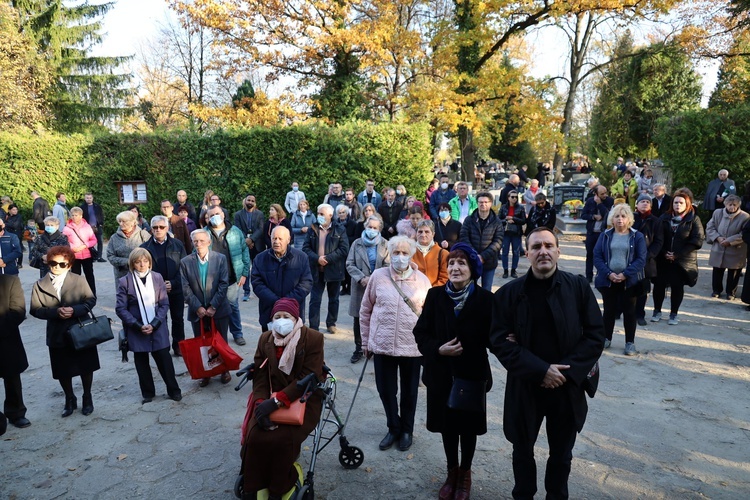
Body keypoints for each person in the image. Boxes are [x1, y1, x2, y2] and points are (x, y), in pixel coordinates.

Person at [490, 227, 605, 499]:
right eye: (537, 246)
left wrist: (564, 371)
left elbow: (595, 335)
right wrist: (541, 370)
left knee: (562, 456)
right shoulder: (508, 294)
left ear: (558, 251)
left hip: (566, 387)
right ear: (527, 253)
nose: (543, 251)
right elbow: (497, 340)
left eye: (549, 245)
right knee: (522, 451)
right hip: (526, 387)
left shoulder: (577, 288)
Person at [413, 242, 493, 500]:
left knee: (468, 428)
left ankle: (465, 475)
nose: (456, 268)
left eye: (462, 263)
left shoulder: (486, 300)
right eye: (452, 263)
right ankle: (451, 472)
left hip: (471, 375)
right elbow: (420, 333)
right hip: (441, 373)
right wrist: (438, 349)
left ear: (473, 269)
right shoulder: (435, 296)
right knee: (447, 427)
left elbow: (496, 337)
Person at [241, 298, 324, 500]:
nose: (281, 321)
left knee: (282, 439)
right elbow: (260, 376)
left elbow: (307, 377)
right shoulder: (266, 339)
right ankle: (254, 484)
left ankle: (279, 487)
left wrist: (276, 402)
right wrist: (261, 404)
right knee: (256, 435)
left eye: (286, 316)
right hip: (270, 397)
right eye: (277, 317)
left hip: (304, 398)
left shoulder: (313, 338)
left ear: (296, 318)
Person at [360, 236, 431, 452]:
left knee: (410, 392)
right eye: (396, 252)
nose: (400, 257)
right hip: (382, 345)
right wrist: (365, 342)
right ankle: (393, 427)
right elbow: (366, 310)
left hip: (412, 347)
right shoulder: (378, 276)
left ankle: (407, 430)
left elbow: (429, 316)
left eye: (404, 253)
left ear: (411, 254)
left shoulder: (422, 280)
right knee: (386, 390)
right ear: (390, 254)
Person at [30, 246, 100, 417]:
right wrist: (55, 312)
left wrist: (75, 310)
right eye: (53, 263)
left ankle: (87, 396)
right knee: (62, 368)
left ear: (69, 265)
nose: (56, 267)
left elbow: (91, 299)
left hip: (80, 328)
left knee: (85, 365)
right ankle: (69, 398)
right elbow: (35, 310)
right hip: (57, 332)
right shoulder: (39, 285)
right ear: (48, 263)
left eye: (62, 264)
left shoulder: (79, 279)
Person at [116, 249, 181, 404]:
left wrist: (155, 323)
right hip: (137, 328)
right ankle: (148, 393)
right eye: (138, 262)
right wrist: (138, 325)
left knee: (165, 360)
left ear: (149, 262)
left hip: (157, 326)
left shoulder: (157, 277)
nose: (142, 264)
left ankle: (174, 390)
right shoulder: (125, 281)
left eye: (145, 261)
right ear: (132, 264)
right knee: (142, 363)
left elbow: (164, 303)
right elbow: (120, 308)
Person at [180, 229, 232, 386]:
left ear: (209, 242)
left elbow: (224, 283)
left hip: (218, 309)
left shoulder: (220, 258)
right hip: (198, 312)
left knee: (221, 341)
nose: (198, 244)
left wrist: (213, 306)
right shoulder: (185, 262)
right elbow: (185, 287)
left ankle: (224, 369)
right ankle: (206, 372)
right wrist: (197, 307)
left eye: (202, 241)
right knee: (202, 343)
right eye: (195, 241)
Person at [593, 204, 647, 355]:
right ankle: (606, 338)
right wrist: (609, 273)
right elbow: (597, 256)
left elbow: (641, 259)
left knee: (630, 312)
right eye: (617, 216)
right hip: (608, 280)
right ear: (612, 219)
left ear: (629, 219)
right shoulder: (605, 235)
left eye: (623, 216)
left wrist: (625, 274)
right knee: (609, 311)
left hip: (629, 281)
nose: (620, 219)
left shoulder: (637, 236)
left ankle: (630, 342)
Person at [652, 189, 706, 325]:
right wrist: (664, 253)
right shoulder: (664, 218)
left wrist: (677, 254)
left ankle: (673, 314)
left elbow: (697, 240)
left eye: (681, 203)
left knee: (677, 287)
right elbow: (657, 238)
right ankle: (657, 310)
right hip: (663, 259)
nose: (678, 205)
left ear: (687, 204)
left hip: (682, 260)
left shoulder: (693, 219)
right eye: (675, 202)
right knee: (659, 285)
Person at [345, 215, 390, 364]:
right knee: (358, 318)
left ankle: (374, 347)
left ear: (379, 229)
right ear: (365, 227)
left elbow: (388, 265)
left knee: (377, 317)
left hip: (379, 288)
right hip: (359, 287)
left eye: (375, 228)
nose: (371, 230)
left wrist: (374, 279)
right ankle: (359, 347)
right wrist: (362, 278)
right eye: (369, 227)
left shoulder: (385, 244)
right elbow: (349, 264)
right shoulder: (356, 243)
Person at [141, 215, 188, 356]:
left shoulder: (177, 244)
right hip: (155, 291)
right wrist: (159, 285)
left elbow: (184, 267)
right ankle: (163, 345)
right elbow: (142, 271)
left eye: (161, 227)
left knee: (178, 318)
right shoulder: (144, 248)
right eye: (155, 227)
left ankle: (179, 344)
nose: (158, 230)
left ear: (167, 228)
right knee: (160, 319)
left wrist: (173, 283)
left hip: (176, 288)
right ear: (151, 229)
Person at [251, 226, 313, 332]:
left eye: (280, 238)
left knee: (293, 346)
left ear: (288, 240)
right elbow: (257, 283)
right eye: (274, 238)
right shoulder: (260, 258)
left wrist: (287, 302)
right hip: (269, 312)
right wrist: (276, 302)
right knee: (269, 345)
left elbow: (306, 283)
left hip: (293, 312)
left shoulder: (301, 257)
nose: (276, 242)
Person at [206, 205, 250, 346]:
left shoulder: (235, 232)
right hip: (211, 280)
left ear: (223, 215)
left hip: (231, 277)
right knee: (214, 306)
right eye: (211, 215)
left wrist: (244, 273)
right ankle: (217, 335)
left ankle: (237, 334)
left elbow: (245, 252)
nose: (215, 217)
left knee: (232, 306)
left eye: (217, 213)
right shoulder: (205, 233)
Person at [302, 203, 349, 334]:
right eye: (318, 214)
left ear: (330, 215)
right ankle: (314, 327)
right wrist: (317, 259)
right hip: (316, 270)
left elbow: (344, 249)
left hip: (334, 270)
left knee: (334, 299)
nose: (319, 216)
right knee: (315, 300)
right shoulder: (312, 228)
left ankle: (331, 323)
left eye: (322, 214)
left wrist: (327, 258)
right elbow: (305, 248)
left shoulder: (340, 229)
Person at [0, 274, 31, 429]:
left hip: (6, 338)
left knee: (12, 378)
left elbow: (18, 310)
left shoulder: (10, 281)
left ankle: (16, 413)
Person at [705, 194, 749, 300]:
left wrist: (729, 241)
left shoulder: (745, 216)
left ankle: (731, 292)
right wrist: (718, 238)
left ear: (738, 205)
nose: (732, 207)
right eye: (730, 204)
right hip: (719, 246)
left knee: (734, 271)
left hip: (735, 249)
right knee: (717, 269)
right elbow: (710, 226)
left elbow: (744, 233)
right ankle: (716, 290)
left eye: (734, 205)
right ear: (725, 204)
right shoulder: (717, 213)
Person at [459, 192, 504, 290]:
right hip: (472, 260)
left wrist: (483, 256)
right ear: (477, 203)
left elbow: (498, 242)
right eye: (480, 202)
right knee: (469, 288)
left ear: (491, 203)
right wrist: (474, 255)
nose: (483, 204)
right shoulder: (469, 220)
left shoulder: (497, 222)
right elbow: (463, 237)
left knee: (486, 289)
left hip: (489, 261)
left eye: (485, 202)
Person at [632, 194, 664, 326]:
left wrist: (648, 255)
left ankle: (640, 314)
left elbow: (659, 241)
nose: (645, 203)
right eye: (642, 201)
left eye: (647, 202)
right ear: (637, 205)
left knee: (643, 288)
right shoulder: (630, 218)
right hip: (629, 258)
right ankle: (620, 311)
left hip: (646, 260)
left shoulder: (656, 221)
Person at [233, 194, 266, 301]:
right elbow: (237, 229)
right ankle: (246, 291)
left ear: (254, 202)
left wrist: (251, 239)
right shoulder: (238, 214)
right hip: (243, 244)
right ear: (245, 201)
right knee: (246, 268)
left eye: (252, 200)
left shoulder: (259, 214)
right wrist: (246, 241)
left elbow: (261, 229)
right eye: (249, 200)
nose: (250, 202)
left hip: (257, 244)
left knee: (258, 268)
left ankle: (259, 290)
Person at [62, 207, 98, 297]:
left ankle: (92, 293)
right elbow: (64, 242)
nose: (74, 217)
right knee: (75, 275)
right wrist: (73, 248)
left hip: (87, 255)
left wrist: (85, 245)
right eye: (72, 215)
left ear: (81, 216)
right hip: (74, 255)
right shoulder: (67, 228)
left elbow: (93, 240)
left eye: (76, 215)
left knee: (89, 274)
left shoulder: (87, 226)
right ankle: (75, 294)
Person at [107, 211, 152, 283]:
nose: (121, 224)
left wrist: (140, 262)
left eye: (124, 221)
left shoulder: (143, 234)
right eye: (119, 221)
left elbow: (151, 253)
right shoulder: (114, 238)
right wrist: (127, 262)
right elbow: (110, 256)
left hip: (142, 274)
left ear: (133, 222)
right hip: (122, 275)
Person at [581, 185, 614, 283]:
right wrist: (593, 216)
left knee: (602, 255)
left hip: (603, 233)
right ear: (596, 194)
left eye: (605, 193)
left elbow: (609, 215)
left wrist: (600, 204)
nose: (605, 195)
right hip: (592, 232)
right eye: (602, 194)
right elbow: (583, 215)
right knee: (590, 255)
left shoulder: (609, 201)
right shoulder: (590, 201)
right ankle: (589, 276)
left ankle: (602, 275)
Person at [499, 190, 526, 279]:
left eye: (516, 197)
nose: (514, 199)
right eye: (512, 197)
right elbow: (498, 220)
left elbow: (523, 221)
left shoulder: (521, 207)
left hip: (516, 232)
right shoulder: (503, 207)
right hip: (506, 232)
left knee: (516, 252)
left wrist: (513, 219)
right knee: (505, 252)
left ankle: (513, 270)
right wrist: (506, 220)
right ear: (508, 198)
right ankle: (505, 270)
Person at [413, 220, 448, 287]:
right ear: (416, 234)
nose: (423, 235)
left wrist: (430, 292)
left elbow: (444, 279)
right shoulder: (408, 252)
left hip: (435, 295)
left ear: (433, 234)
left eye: (427, 232)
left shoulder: (443, 254)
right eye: (420, 231)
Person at [336, 204, 358, 295]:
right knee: (340, 269)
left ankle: (349, 287)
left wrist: (343, 240)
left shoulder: (353, 223)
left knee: (349, 268)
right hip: (338, 249)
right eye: (339, 213)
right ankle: (343, 287)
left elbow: (356, 237)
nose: (341, 214)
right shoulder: (335, 223)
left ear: (347, 213)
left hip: (349, 249)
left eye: (343, 212)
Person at [79, 193, 106, 261]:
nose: (89, 199)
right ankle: (92, 256)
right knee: (89, 243)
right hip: (87, 228)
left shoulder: (97, 206)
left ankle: (99, 257)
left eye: (90, 198)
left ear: (92, 198)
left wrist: (101, 223)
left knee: (100, 242)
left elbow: (101, 215)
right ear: (85, 199)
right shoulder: (82, 207)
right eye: (87, 198)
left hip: (97, 226)